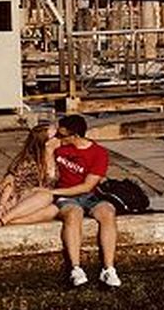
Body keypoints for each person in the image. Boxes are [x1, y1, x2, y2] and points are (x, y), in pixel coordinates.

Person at [50, 113, 122, 288]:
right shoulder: (57, 147)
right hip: (65, 197)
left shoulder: (98, 153)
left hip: (87, 194)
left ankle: (109, 269)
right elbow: (48, 174)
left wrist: (54, 191)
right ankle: (76, 268)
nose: (58, 138)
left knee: (107, 212)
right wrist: (47, 150)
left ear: (75, 136)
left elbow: (86, 186)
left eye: (62, 135)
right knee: (74, 213)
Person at [0, 123, 59, 231]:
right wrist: (1, 206)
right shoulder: (29, 162)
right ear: (46, 143)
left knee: (53, 210)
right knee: (47, 196)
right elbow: (10, 184)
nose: (60, 138)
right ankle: (2, 219)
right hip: (17, 200)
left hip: (36, 203)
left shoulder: (59, 157)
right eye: (56, 136)